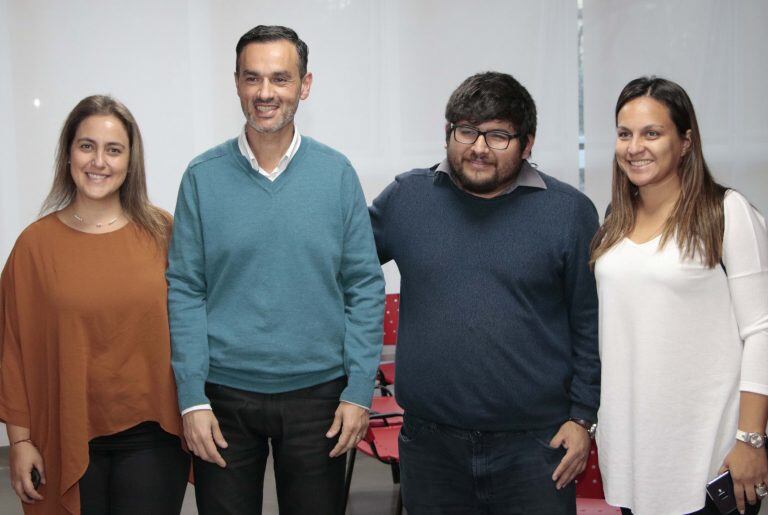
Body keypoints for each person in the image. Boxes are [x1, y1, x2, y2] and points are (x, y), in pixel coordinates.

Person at [167, 25, 384, 514]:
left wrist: (358, 390)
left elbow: (365, 287)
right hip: (222, 398)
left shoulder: (337, 174)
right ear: (237, 83)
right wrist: (190, 398)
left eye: (280, 79)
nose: (266, 93)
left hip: (319, 398)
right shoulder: (202, 177)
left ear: (304, 85)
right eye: (253, 78)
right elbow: (184, 289)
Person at [369, 71, 601, 514]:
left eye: (498, 135)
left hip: (537, 448)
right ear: (447, 133)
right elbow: (341, 265)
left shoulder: (569, 212)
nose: (478, 147)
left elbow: (589, 324)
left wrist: (583, 418)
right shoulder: (407, 198)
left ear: (527, 143)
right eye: (467, 130)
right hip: (430, 446)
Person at [0, 95, 189, 515]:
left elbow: (194, 328)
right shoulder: (34, 247)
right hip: (64, 435)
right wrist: (20, 441)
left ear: (130, 161)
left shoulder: (164, 233)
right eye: (87, 146)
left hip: (153, 439)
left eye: (113, 149)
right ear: (68, 154)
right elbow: (11, 350)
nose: (98, 161)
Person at [592, 76, 768, 515]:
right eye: (624, 134)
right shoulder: (615, 218)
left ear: (685, 142)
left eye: (652, 133)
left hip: (708, 456)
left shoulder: (725, 212)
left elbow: (762, 331)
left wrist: (751, 440)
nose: (635, 147)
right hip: (635, 451)